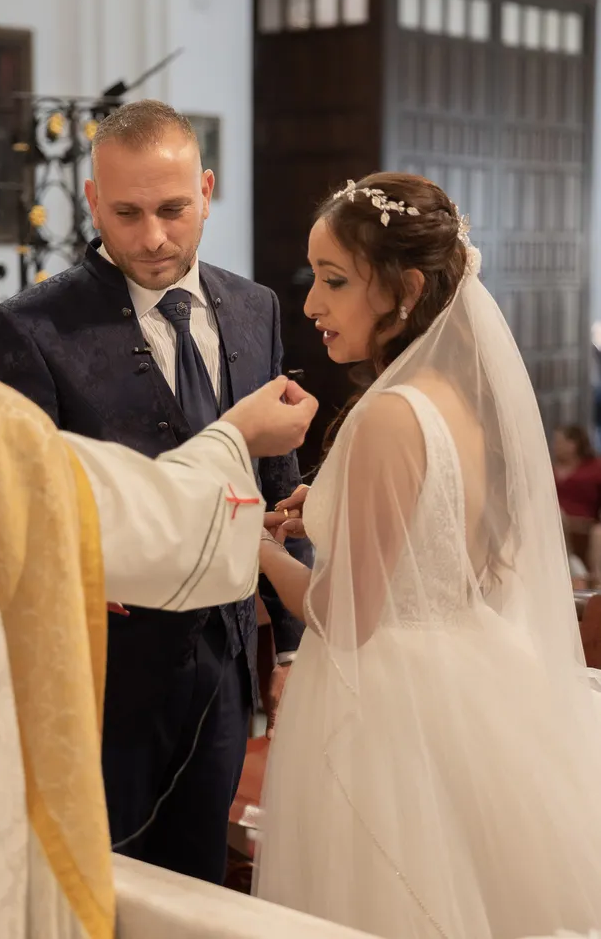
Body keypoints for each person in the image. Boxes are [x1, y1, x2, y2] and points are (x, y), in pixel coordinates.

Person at [0, 116, 318, 939]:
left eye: (173, 208)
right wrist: (232, 441)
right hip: (103, 687)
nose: (154, 236)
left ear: (206, 193)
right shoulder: (28, 330)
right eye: (127, 213)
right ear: (92, 202)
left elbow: (281, 489)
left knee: (200, 896)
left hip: (224, 669)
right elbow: (54, 514)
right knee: (116, 896)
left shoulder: (253, 307)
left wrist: (292, 645)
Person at [254, 173, 601, 939]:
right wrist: (330, 507)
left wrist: (261, 553)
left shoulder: (385, 418)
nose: (311, 304)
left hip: (387, 711)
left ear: (406, 290)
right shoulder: (464, 401)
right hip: (473, 676)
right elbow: (438, 538)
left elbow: (346, 621)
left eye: (335, 281)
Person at [553, 425, 601, 584]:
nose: (556, 446)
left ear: (574, 445)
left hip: (586, 524)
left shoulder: (594, 468)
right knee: (557, 517)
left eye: (560, 442)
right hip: (555, 521)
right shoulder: (549, 468)